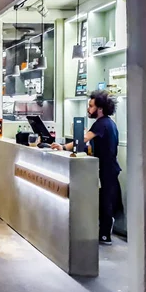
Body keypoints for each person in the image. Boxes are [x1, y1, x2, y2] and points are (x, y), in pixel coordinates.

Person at [51, 90, 122, 245]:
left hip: (107, 170)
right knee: (104, 200)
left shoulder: (102, 124)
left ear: (100, 108)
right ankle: (103, 233)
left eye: (91, 106)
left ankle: (105, 236)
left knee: (105, 202)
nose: (88, 109)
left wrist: (63, 147)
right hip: (108, 168)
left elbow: (83, 139)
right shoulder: (107, 123)